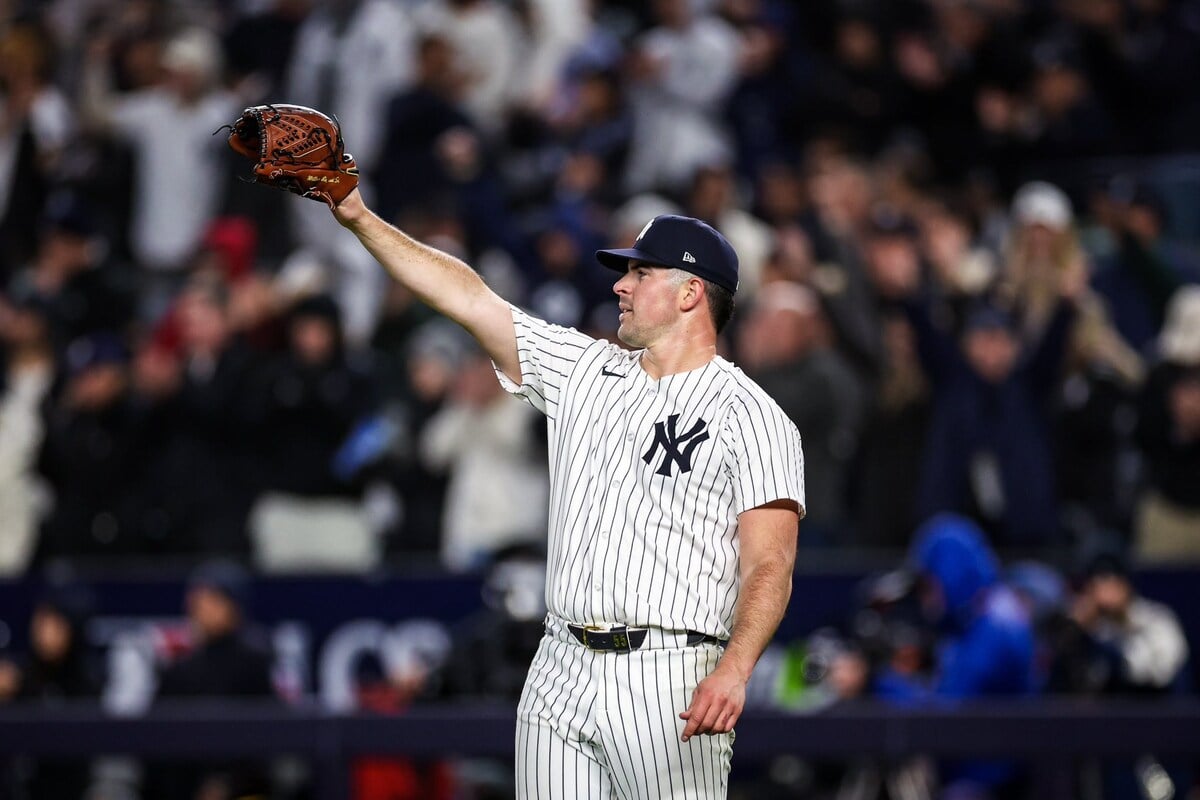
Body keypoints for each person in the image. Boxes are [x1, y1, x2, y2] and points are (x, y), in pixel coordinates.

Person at [326, 184, 804, 798]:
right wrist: (359, 215)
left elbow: (770, 564)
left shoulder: (754, 417)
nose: (619, 286)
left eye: (640, 272)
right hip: (560, 662)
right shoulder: (583, 370)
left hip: (669, 673)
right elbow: (469, 298)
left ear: (691, 293)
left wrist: (735, 670)